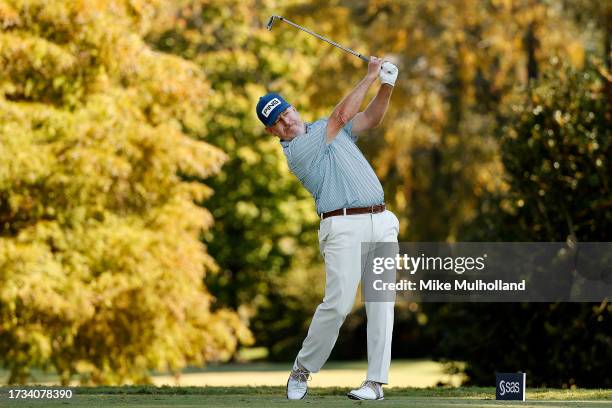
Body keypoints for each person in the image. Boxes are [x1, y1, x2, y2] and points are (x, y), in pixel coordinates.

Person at [255, 56, 399, 401]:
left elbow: (371, 118)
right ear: (271, 131)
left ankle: (375, 383)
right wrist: (369, 76)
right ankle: (302, 369)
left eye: (286, 112)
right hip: (342, 225)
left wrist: (387, 85)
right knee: (337, 304)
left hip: (381, 221)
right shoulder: (298, 151)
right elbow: (341, 115)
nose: (286, 121)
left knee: (382, 303)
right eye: (277, 121)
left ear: (293, 108)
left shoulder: (325, 128)